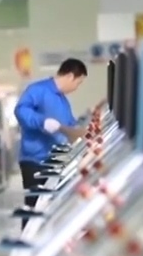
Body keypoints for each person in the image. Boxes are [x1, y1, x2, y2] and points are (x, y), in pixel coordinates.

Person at [14, 58, 88, 226]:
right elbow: (21, 110)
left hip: (54, 161)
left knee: (47, 209)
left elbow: (69, 124)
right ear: (70, 76)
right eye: (78, 82)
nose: (77, 88)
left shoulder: (62, 100)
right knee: (34, 207)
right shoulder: (38, 90)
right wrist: (41, 121)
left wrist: (81, 129)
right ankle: (28, 239)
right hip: (35, 160)